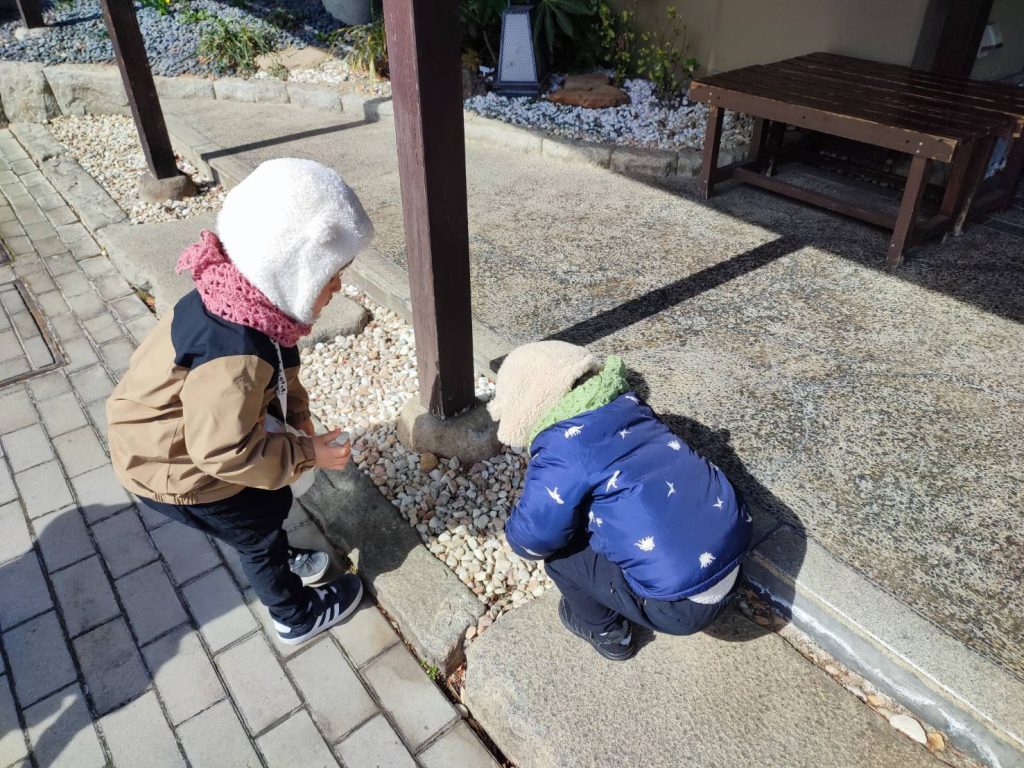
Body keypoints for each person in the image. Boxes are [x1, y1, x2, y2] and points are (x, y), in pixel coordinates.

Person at [107, 158, 374, 645]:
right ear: (290, 273)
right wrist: (308, 453)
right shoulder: (236, 354)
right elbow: (223, 452)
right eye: (331, 275)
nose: (339, 287)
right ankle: (293, 614)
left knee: (267, 499)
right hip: (172, 467)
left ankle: (277, 555)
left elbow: (281, 374)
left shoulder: (247, 302)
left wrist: (299, 420)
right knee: (258, 527)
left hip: (181, 438)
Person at [487, 342, 752, 660]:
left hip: (681, 606)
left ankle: (610, 635)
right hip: (736, 555)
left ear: (526, 406)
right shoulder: (629, 406)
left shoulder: (562, 450)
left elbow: (532, 539)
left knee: (561, 559)